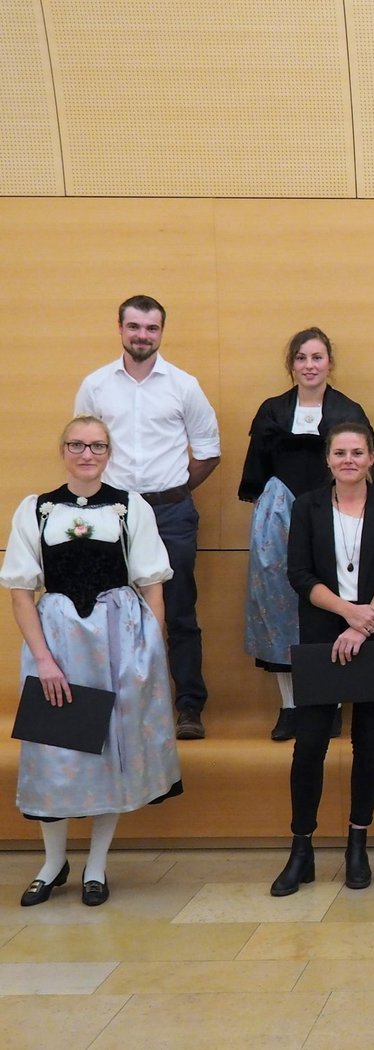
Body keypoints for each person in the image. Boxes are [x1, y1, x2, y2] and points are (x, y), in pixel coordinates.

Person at [2, 416, 182, 907]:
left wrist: (151, 646)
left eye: (97, 446)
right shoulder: (36, 509)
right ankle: (52, 862)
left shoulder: (130, 507)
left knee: (109, 751)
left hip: (117, 640)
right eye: (77, 445)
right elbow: (20, 592)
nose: (87, 453)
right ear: (63, 450)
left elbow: (152, 584)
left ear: (108, 452)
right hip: (57, 641)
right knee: (55, 751)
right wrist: (44, 659)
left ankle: (96, 866)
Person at [271, 422, 374, 896]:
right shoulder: (307, 506)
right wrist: (346, 615)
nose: (348, 460)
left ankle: (358, 845)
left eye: (357, 452)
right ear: (328, 459)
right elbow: (299, 573)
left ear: (372, 457)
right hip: (322, 639)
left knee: (367, 743)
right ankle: (302, 850)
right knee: (309, 745)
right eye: (340, 452)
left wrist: (364, 621)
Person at [75, 294, 220, 740]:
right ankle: (111, 709)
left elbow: (210, 452)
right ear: (120, 329)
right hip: (109, 513)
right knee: (102, 611)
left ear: (162, 332)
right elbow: (81, 446)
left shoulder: (184, 385)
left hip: (171, 513)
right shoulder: (96, 385)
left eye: (151, 328)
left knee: (178, 613)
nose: (142, 335)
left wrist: (171, 492)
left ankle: (188, 708)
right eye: (134, 327)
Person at [239, 327, 374, 741]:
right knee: (278, 612)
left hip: (333, 512)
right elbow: (256, 474)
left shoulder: (350, 410)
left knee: (329, 604)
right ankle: (289, 707)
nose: (310, 365)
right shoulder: (272, 411)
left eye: (317, 357)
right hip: (278, 518)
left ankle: (329, 702)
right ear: (292, 364)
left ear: (330, 362)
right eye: (301, 358)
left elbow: (366, 473)